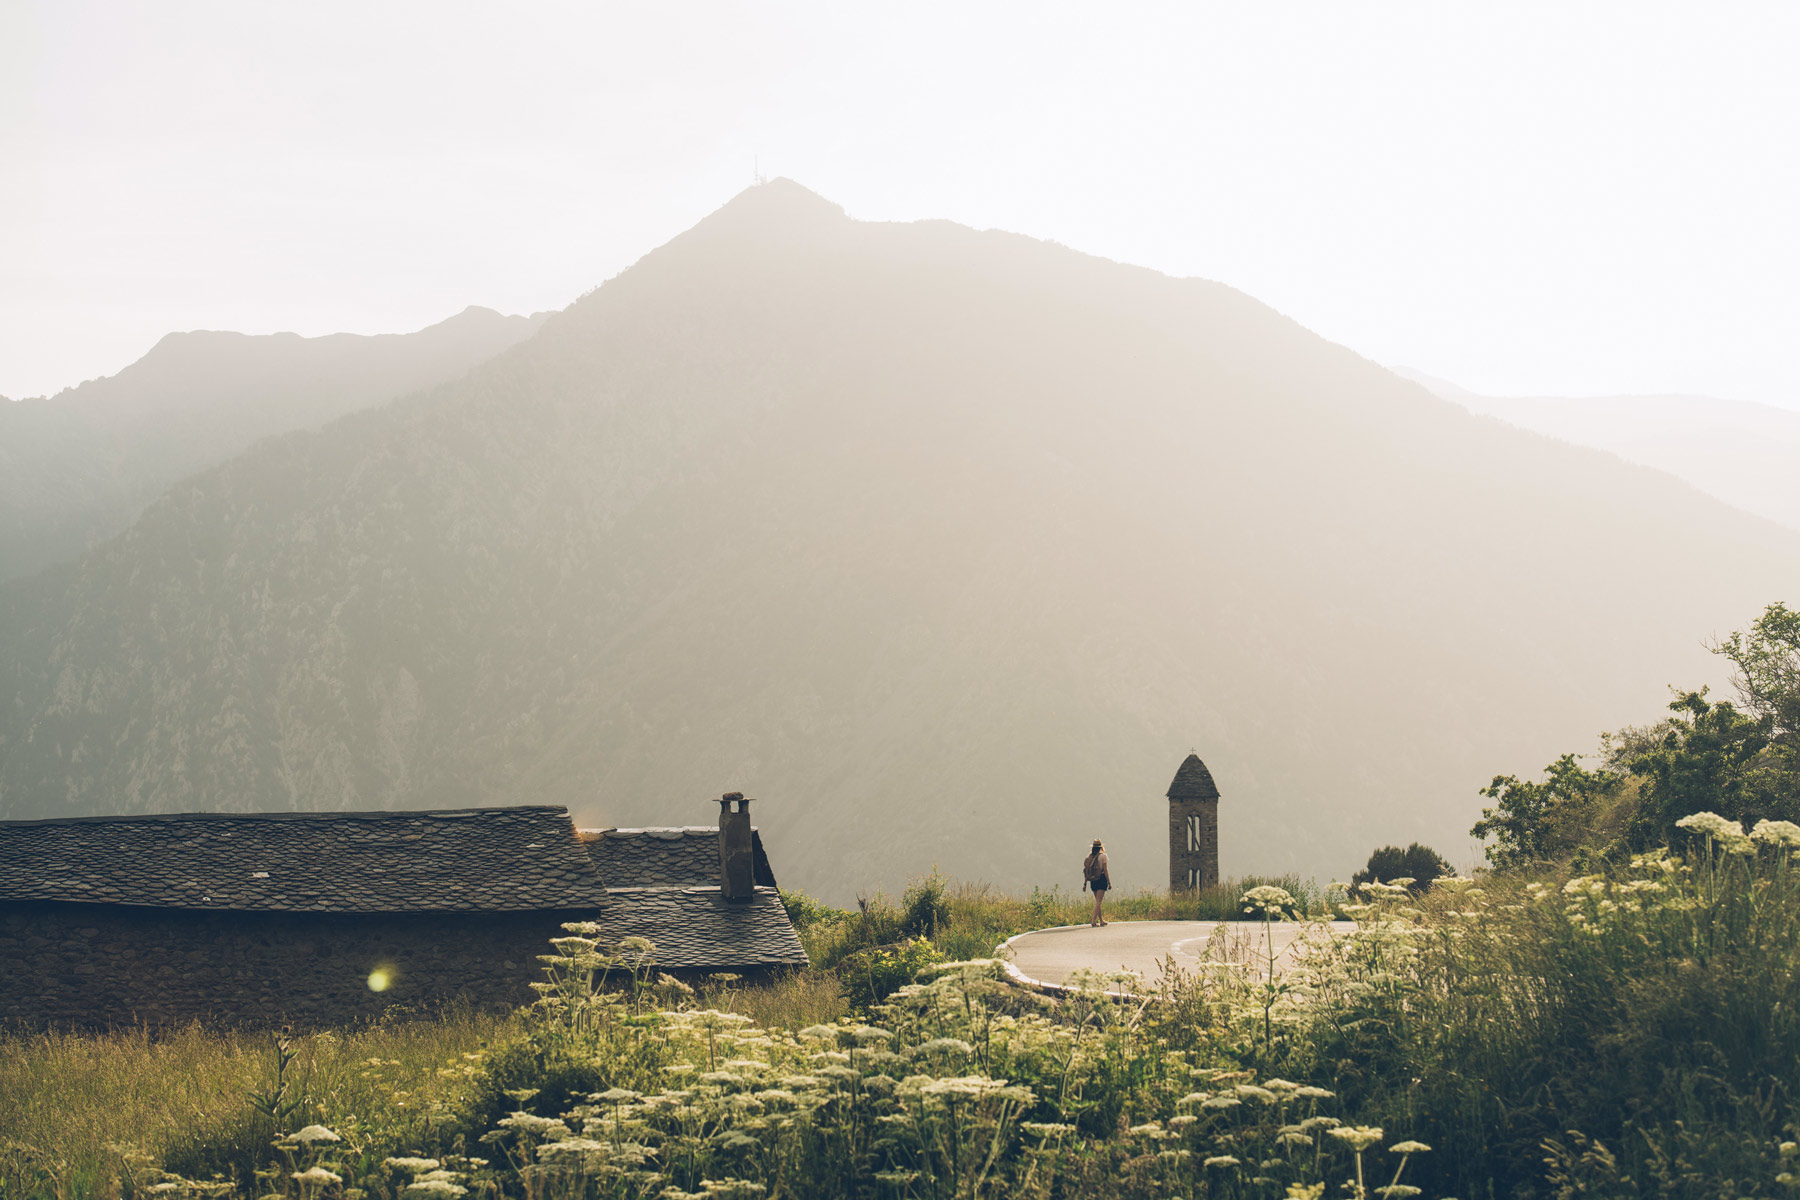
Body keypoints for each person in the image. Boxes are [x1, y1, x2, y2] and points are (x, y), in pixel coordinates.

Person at [1082, 839, 1110, 926]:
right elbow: (1105, 870)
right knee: (1099, 901)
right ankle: (1093, 920)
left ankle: (1101, 920)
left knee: (1098, 901)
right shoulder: (1103, 856)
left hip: (1092, 880)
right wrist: (1109, 882)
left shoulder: (1090, 857)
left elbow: (1086, 871)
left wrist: (1085, 884)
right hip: (1101, 879)